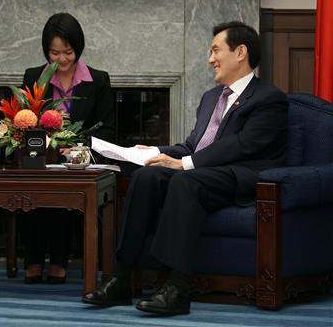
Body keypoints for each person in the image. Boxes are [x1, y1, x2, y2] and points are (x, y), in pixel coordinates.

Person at [82, 21, 288, 315]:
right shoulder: (211, 98)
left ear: (240, 52)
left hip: (237, 176)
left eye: (215, 50)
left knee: (184, 181)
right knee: (146, 176)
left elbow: (241, 146)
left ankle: (177, 288)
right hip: (203, 172)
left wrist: (184, 164)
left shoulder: (269, 98)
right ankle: (122, 277)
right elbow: (193, 146)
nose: (210, 59)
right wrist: (155, 152)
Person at [21, 12, 115, 284]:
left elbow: (107, 130)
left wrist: (77, 147)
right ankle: (33, 259)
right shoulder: (33, 77)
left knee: (62, 186)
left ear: (78, 48)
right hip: (42, 159)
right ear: (46, 50)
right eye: (54, 53)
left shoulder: (98, 80)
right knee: (34, 185)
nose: (61, 59)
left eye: (68, 52)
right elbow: (23, 122)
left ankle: (59, 260)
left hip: (78, 162)